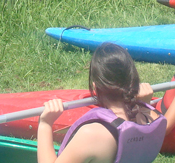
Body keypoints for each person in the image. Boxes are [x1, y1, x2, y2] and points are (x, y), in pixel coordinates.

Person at [37, 42, 167, 163]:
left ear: (95, 87)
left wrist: (45, 124)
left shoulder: (91, 134)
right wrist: (144, 103)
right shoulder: (152, 118)